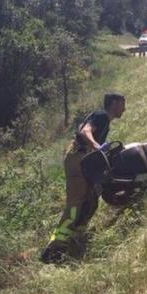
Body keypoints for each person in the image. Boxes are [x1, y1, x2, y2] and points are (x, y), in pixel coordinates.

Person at [41, 93, 126, 264]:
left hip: (84, 159)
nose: (124, 109)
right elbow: (85, 130)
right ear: (114, 103)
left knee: (91, 200)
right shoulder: (101, 116)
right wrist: (97, 147)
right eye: (122, 105)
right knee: (76, 203)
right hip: (77, 158)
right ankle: (55, 248)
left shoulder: (105, 121)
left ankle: (75, 239)